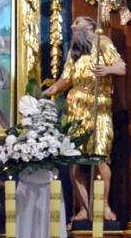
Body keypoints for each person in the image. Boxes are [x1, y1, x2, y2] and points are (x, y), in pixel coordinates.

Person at [43, 16, 125, 222]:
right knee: (75, 160)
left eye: (77, 23)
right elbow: (67, 78)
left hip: (99, 104)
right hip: (76, 107)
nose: (72, 26)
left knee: (100, 156)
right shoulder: (75, 51)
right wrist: (51, 90)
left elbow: (121, 67)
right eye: (73, 24)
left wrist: (107, 70)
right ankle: (84, 209)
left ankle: (104, 206)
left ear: (90, 25)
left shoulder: (103, 42)